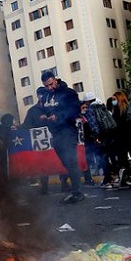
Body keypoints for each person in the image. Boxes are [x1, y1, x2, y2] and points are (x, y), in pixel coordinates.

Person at [41, 72, 85, 203]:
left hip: (68, 130)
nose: (49, 88)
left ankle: (78, 192)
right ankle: (74, 189)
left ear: (55, 80)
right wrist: (44, 117)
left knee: (71, 161)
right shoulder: (45, 96)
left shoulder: (68, 93)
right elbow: (44, 111)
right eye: (46, 86)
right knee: (66, 162)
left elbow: (74, 109)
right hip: (55, 133)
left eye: (51, 84)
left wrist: (59, 116)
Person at [21, 86, 67, 194]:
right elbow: (27, 125)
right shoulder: (32, 111)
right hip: (41, 144)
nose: (42, 96)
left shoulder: (54, 107)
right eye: (40, 94)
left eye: (44, 93)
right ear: (37, 96)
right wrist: (16, 129)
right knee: (42, 164)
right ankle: (44, 185)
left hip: (55, 140)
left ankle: (64, 183)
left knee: (60, 161)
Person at [109, 91, 131, 186]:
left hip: (128, 136)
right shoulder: (116, 110)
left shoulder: (125, 109)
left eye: (114, 99)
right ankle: (129, 173)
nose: (112, 101)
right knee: (123, 157)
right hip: (121, 137)